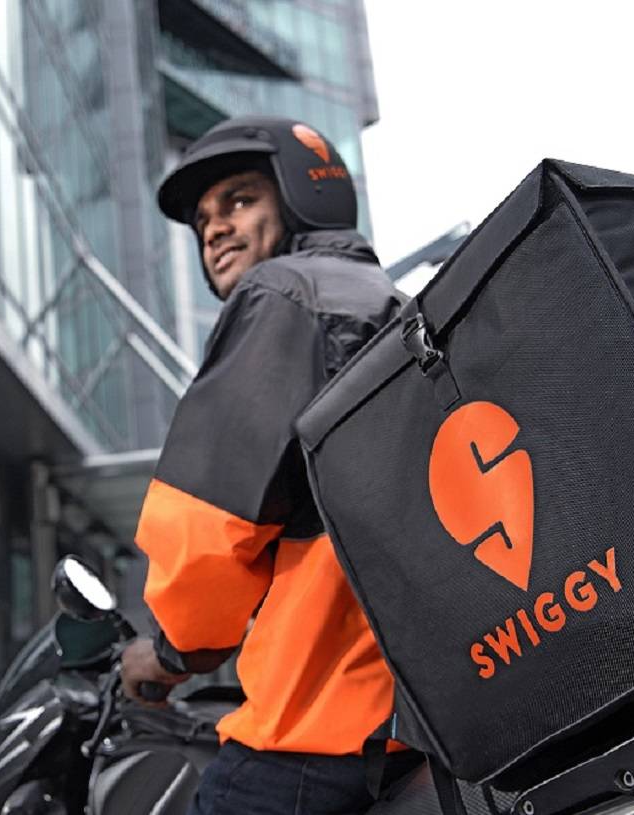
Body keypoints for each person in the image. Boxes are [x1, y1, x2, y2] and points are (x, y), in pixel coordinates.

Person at [120, 115, 411, 814]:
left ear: (304, 197)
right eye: (202, 221)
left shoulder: (283, 295)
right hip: (416, 718)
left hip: (318, 729)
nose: (214, 229)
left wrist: (166, 653)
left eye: (240, 200)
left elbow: (208, 532)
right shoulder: (397, 307)